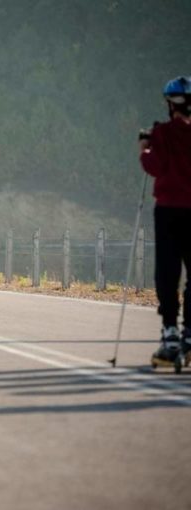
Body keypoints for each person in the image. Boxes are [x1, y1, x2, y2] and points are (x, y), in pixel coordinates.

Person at [139, 76, 191, 364]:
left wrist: (144, 147)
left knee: (168, 272)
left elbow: (153, 165)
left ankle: (170, 334)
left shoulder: (163, 133)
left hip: (170, 210)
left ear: (171, 104)